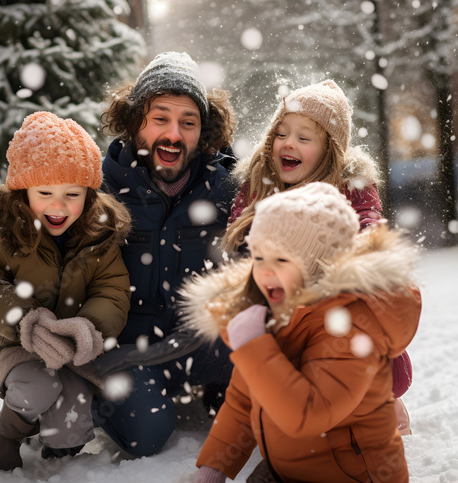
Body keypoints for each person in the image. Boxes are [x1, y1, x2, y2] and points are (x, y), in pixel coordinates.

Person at [179, 181, 422, 483]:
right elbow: (244, 402)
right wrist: (212, 470)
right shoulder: (271, 313)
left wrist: (254, 346)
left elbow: (309, 415)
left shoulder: (349, 327)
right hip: (292, 466)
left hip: (354, 474)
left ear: (317, 267)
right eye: (258, 258)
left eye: (281, 259)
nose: (265, 271)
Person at [223, 79, 412, 435]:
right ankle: (287, 424)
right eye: (281, 133)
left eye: (304, 138)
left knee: (351, 333)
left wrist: (358, 248)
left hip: (332, 304)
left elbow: (370, 226)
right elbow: (238, 236)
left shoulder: (352, 186)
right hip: (279, 302)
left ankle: (374, 400)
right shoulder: (259, 183)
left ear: (329, 151)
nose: (288, 143)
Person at [0, 111, 132, 471]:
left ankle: (60, 455)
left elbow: (112, 288)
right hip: (17, 344)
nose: (58, 206)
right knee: (38, 387)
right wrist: (27, 322)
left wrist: (89, 327)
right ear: (23, 191)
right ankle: (7, 433)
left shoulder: (97, 234)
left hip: (74, 349)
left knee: (73, 408)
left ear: (89, 193)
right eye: (45, 193)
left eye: (73, 194)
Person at [91, 51, 238, 457]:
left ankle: (217, 392)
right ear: (134, 120)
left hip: (203, 345)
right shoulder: (98, 190)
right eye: (160, 118)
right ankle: (109, 402)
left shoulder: (225, 189)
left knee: (259, 409)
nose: (174, 134)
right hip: (130, 354)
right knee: (148, 433)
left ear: (203, 131)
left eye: (188, 122)